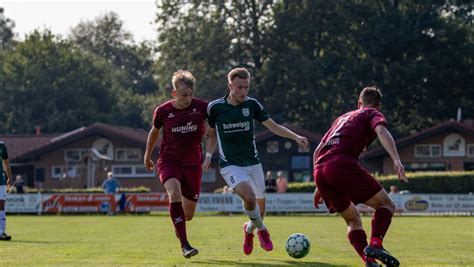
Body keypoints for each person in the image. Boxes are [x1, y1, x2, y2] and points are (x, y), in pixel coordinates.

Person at [202, 67, 309, 255]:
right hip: (230, 165)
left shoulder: (252, 105)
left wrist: (295, 137)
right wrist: (209, 155)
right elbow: (210, 134)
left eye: (246, 87)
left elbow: (274, 127)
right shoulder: (215, 108)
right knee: (249, 198)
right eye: (239, 87)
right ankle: (262, 230)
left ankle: (249, 229)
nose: (243, 91)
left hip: (253, 163)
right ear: (229, 86)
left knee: (258, 211)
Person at [312, 87, 407, 267]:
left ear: (358, 103)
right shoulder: (371, 113)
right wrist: (396, 159)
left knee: (353, 219)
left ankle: (369, 261)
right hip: (341, 164)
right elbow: (381, 131)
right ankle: (376, 245)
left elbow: (318, 151)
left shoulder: (341, 118)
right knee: (386, 204)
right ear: (378, 106)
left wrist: (319, 184)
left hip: (321, 170)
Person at [144, 70, 208, 258]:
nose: (187, 98)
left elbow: (214, 125)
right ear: (174, 93)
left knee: (188, 215)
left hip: (192, 164)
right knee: (174, 193)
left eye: (190, 94)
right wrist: (147, 155)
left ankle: (179, 225)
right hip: (168, 160)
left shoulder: (202, 107)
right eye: (183, 95)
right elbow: (154, 133)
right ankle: (185, 245)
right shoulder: (163, 111)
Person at [0, 141, 12, 241]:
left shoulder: (2, 146)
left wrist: (9, 177)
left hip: (1, 180)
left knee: (1, 205)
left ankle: (1, 231)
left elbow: (6, 163)